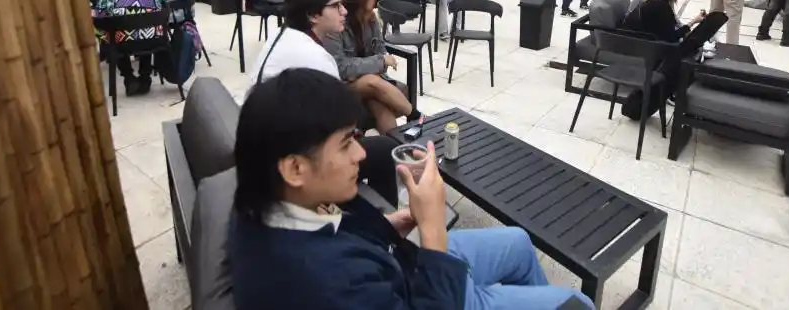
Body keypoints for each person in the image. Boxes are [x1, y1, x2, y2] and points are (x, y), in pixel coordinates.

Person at [229, 68, 595, 310]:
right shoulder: (327, 283)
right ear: (295, 167)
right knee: (578, 302)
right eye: (345, 144)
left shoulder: (271, 198)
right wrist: (433, 229)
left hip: (404, 265)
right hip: (429, 294)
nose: (360, 153)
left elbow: (342, 231)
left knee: (517, 241)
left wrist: (395, 224)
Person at [246, 0, 403, 207]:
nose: (344, 11)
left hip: (272, 146)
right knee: (383, 150)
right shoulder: (315, 58)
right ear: (313, 15)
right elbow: (336, 126)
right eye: (336, 6)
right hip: (284, 165)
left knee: (375, 111)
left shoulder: (283, 37)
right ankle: (384, 223)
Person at [323, 0, 418, 133]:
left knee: (380, 104)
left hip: (369, 81)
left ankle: (391, 150)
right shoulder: (336, 24)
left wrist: (378, 63)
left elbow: (381, 50)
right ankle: (417, 116)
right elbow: (340, 67)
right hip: (342, 86)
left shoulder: (371, 18)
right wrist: (379, 62)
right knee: (370, 82)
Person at [94, 0, 168, 96]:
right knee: (147, 25)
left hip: (122, 42)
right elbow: (165, 6)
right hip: (156, 38)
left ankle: (128, 77)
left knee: (108, 30)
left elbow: (101, 16)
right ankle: (145, 75)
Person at [623, 0, 705, 43]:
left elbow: (669, 27)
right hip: (640, 44)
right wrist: (693, 22)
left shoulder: (659, 0)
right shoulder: (661, 7)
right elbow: (671, 37)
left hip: (639, 38)